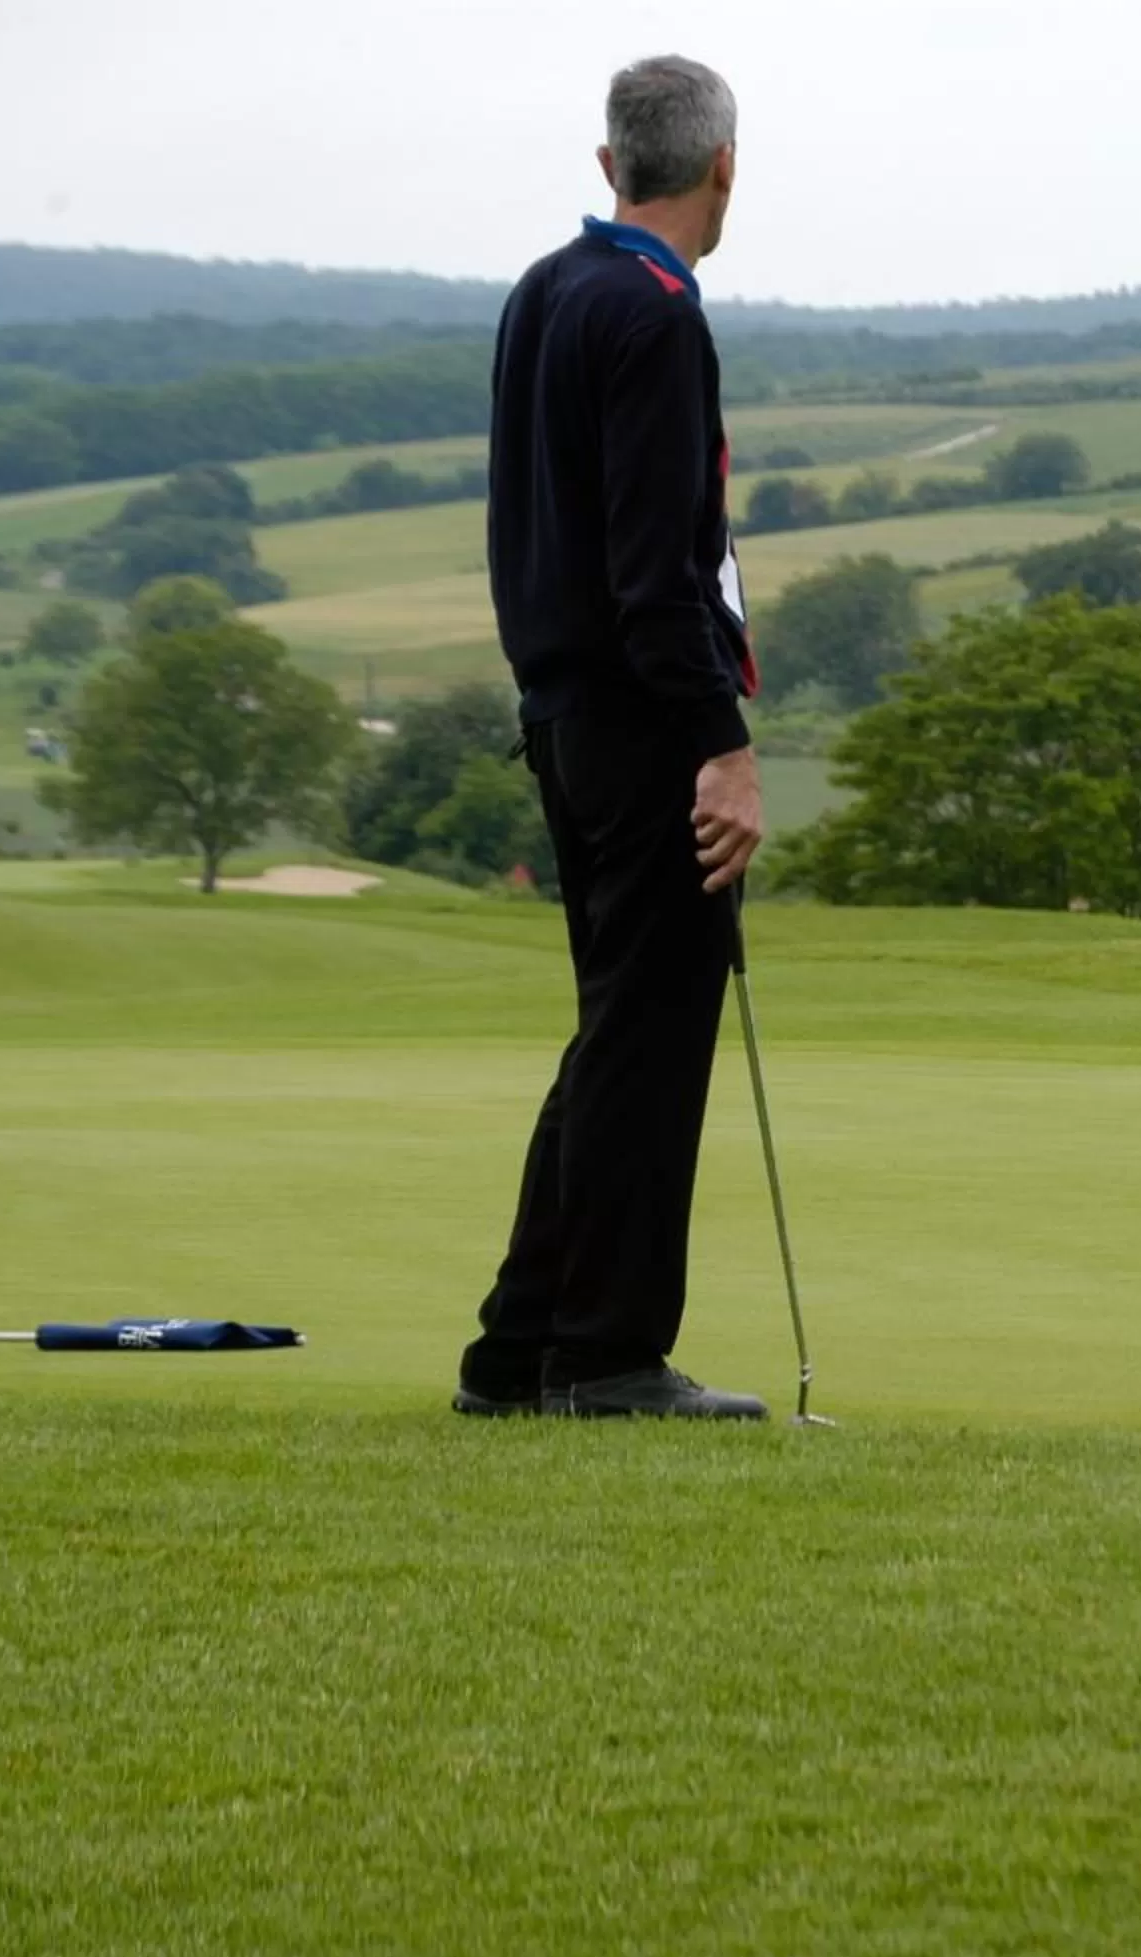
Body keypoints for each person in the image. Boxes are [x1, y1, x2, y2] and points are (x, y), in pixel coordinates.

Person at [456, 55, 768, 1419]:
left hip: (564, 717)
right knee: (647, 1042)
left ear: (609, 165)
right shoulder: (656, 314)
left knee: (612, 1034)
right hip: (646, 730)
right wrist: (722, 745)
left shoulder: (546, 290)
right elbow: (656, 576)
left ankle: (519, 1351)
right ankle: (606, 1356)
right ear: (724, 167)